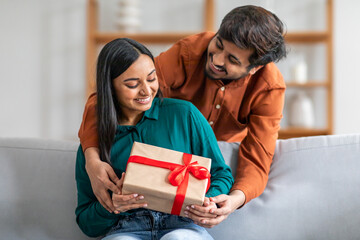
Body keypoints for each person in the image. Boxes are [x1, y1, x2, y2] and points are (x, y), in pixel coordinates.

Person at [78, 5, 287, 228]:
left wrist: (234, 199)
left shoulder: (269, 88)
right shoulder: (188, 51)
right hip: (167, 151)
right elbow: (107, 98)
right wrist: (92, 160)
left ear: (255, 68)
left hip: (217, 160)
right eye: (217, 44)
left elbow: (257, 157)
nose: (216, 60)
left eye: (232, 60)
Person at [75, 38, 234, 239]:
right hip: (126, 228)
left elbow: (221, 173)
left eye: (151, 79)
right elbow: (86, 223)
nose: (146, 91)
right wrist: (111, 206)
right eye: (132, 84)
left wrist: (208, 201)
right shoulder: (94, 144)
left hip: (182, 223)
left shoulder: (184, 114)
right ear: (110, 87)